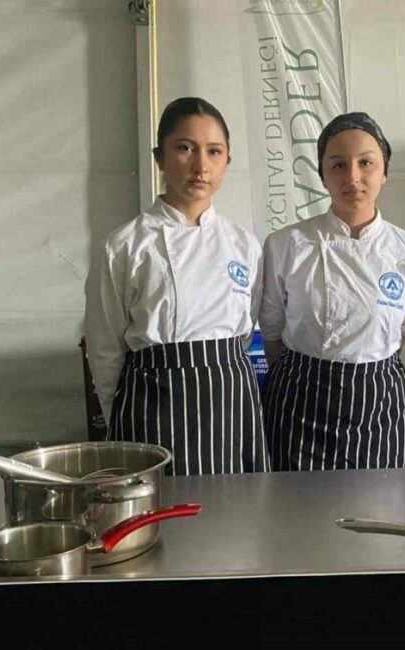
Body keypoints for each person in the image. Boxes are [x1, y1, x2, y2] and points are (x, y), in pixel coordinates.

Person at [84, 97, 269, 475]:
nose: (201, 166)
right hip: (153, 405)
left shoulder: (243, 244)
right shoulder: (125, 245)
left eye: (214, 152)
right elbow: (105, 347)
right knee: (162, 520)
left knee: (234, 518)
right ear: (160, 158)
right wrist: (117, 414)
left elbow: (247, 322)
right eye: (185, 148)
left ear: (227, 162)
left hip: (229, 403)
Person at [260, 112, 405, 470]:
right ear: (322, 174)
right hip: (300, 397)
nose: (352, 177)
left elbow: (402, 329)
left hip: (378, 399)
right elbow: (273, 329)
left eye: (366, 163)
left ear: (384, 172)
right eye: (338, 165)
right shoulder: (286, 245)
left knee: (379, 511)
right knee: (296, 511)